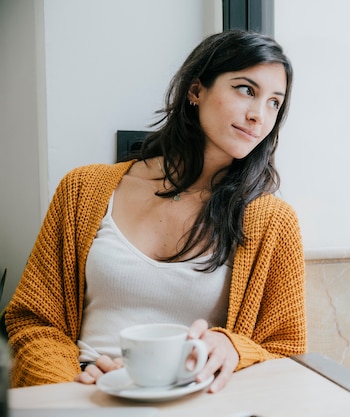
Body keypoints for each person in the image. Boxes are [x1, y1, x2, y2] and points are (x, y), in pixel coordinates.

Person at [4, 29, 306, 393]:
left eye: (275, 102)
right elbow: (33, 320)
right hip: (82, 392)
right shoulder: (83, 190)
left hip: (197, 404)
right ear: (196, 91)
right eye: (246, 89)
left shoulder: (273, 221)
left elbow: (286, 350)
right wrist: (73, 387)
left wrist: (234, 347)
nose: (259, 115)